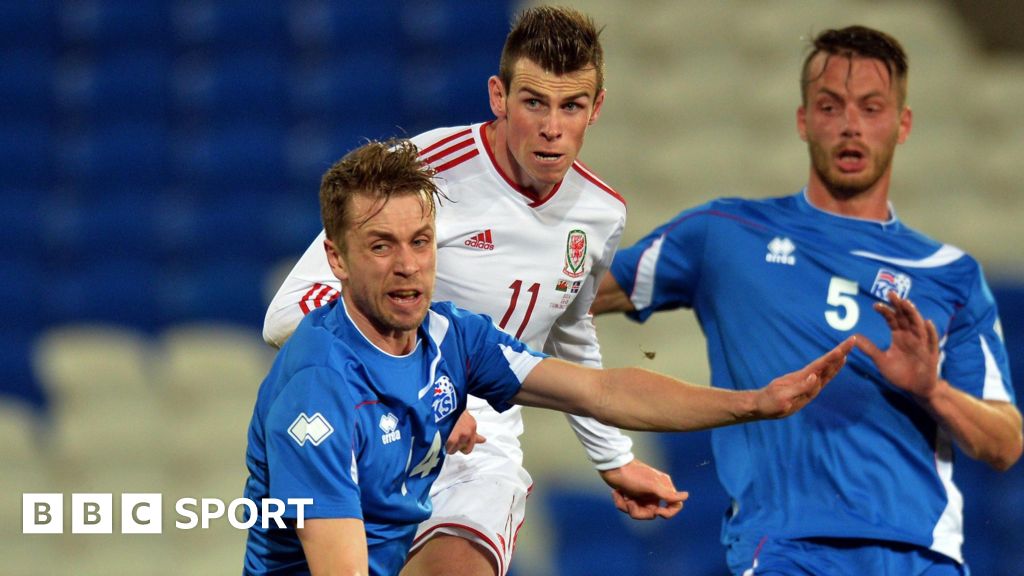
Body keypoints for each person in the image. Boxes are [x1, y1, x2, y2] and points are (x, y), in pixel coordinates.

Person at [242, 139, 855, 576]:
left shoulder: (453, 337)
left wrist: (754, 403)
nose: (407, 265)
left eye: (420, 242)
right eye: (381, 246)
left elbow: (602, 391)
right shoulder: (317, 389)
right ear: (338, 259)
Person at [593, 25, 1023, 576]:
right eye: (830, 106)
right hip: (787, 551)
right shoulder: (723, 235)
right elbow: (568, 295)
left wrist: (932, 389)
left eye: (871, 108)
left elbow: (1006, 444)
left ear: (903, 124)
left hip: (923, 558)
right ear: (802, 120)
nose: (850, 126)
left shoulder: (951, 276)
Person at [265, 7, 678, 576]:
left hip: (479, 454)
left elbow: (570, 330)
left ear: (596, 108)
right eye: (534, 102)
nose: (552, 128)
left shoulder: (601, 213)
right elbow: (288, 314)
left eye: (571, 106)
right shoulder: (421, 173)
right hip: (365, 434)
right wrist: (417, 384)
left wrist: (612, 458)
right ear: (498, 96)